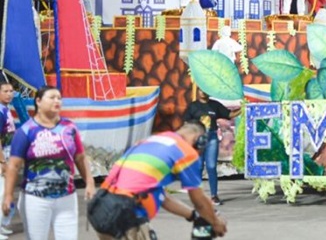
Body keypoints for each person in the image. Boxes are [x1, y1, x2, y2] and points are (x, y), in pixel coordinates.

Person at [88, 120, 226, 239]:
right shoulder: (185, 151)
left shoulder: (150, 142)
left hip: (101, 209)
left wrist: (193, 215)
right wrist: (215, 222)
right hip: (127, 216)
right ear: (199, 140)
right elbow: (199, 200)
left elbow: (163, 198)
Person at [2, 86, 96, 240]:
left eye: (59, 98)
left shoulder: (69, 128)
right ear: (38, 101)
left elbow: (80, 158)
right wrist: (8, 195)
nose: (56, 101)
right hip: (35, 198)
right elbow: (14, 165)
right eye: (51, 97)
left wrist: (90, 182)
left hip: (67, 197)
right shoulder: (26, 131)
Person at [184, 89, 239, 206]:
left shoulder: (214, 105)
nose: (203, 92)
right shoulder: (193, 106)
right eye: (200, 90)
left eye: (205, 89)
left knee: (211, 166)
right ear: (197, 92)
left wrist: (243, 108)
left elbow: (229, 114)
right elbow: (186, 124)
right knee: (198, 167)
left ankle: (214, 196)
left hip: (212, 138)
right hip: (198, 139)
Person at [0, 81, 16, 240]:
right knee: (1, 192)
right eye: (5, 91)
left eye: (11, 91)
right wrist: (2, 162)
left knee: (6, 192)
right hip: (2, 158)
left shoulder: (5, 109)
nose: (9, 94)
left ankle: (2, 225)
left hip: (8, 155)